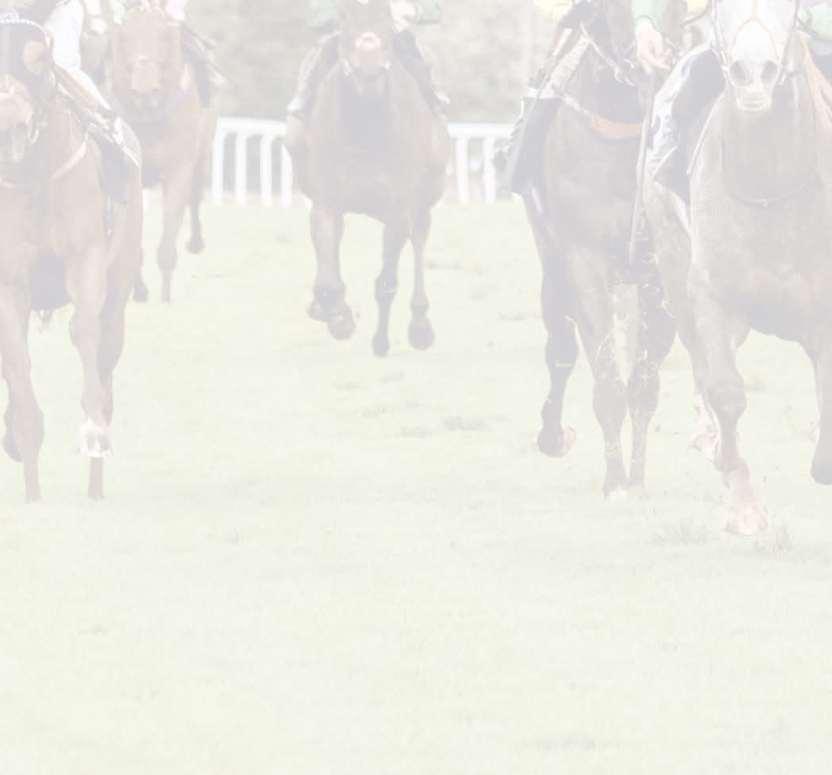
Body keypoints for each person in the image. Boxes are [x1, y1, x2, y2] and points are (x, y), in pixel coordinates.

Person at [639, 0, 832, 198]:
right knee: (693, 79)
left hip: (812, 42)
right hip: (735, 45)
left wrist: (803, 18)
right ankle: (673, 160)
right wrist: (645, 24)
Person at [287, 0, 444, 120]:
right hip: (346, 36)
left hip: (394, 36)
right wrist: (339, 13)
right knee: (324, 54)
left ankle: (432, 102)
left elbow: (433, 9)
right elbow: (316, 14)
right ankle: (304, 99)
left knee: (414, 59)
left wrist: (413, 10)